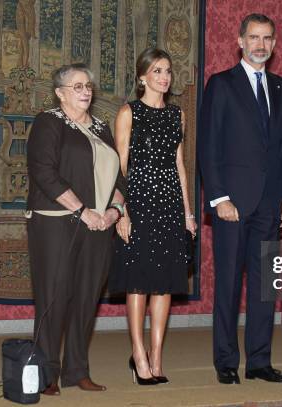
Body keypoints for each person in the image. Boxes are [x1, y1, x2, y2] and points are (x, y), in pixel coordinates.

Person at [198, 14, 282, 384]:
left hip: (271, 205)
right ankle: (225, 361)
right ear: (240, 41)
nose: (260, 44)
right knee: (227, 285)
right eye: (253, 37)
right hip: (232, 206)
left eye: (267, 38)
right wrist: (219, 197)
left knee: (263, 290)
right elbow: (209, 146)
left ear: (274, 44)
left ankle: (259, 362)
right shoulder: (221, 84)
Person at [26, 63, 126, 395]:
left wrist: (114, 211)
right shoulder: (48, 122)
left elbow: (117, 176)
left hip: (100, 225)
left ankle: (77, 370)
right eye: (77, 86)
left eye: (88, 86)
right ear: (59, 93)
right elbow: (44, 172)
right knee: (54, 296)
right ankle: (46, 373)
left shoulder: (100, 126)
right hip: (57, 223)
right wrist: (83, 211)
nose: (85, 91)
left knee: (86, 297)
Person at [108, 47, 197, 385]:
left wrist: (188, 213)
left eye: (168, 71)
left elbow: (180, 167)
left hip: (170, 207)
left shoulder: (177, 115)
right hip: (139, 206)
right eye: (157, 71)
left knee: (165, 284)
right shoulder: (128, 113)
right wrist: (122, 211)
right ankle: (138, 354)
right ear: (142, 76)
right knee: (139, 282)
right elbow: (120, 166)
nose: (164, 77)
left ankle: (157, 356)